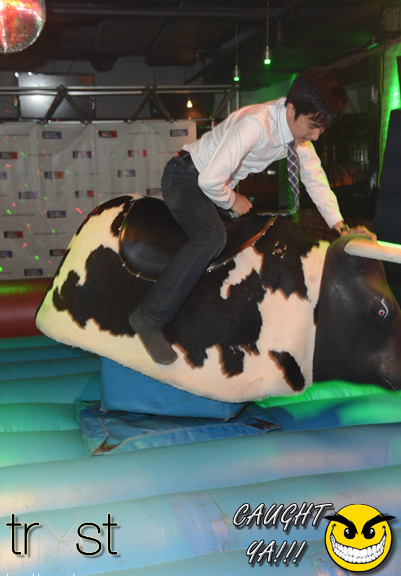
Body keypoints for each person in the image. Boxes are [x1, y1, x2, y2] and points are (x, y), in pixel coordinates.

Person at [129, 67, 374, 365]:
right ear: (291, 109)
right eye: (312, 126)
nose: (316, 136)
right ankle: (149, 317)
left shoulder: (296, 136)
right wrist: (233, 199)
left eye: (322, 129)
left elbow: (315, 179)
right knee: (211, 237)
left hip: (214, 185)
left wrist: (342, 228)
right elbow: (209, 180)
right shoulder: (256, 125)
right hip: (186, 176)